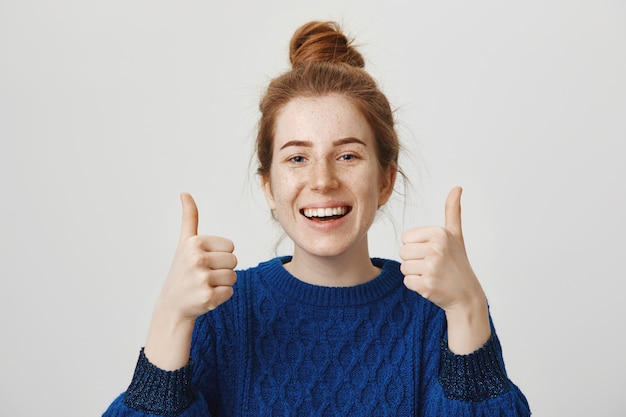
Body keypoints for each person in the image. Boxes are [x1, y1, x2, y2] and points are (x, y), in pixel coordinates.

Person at [103, 21, 530, 416]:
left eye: (347, 155)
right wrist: (169, 318)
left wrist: (468, 306)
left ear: (385, 179)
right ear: (268, 185)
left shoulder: (439, 310)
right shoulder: (217, 313)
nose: (322, 181)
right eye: (297, 157)